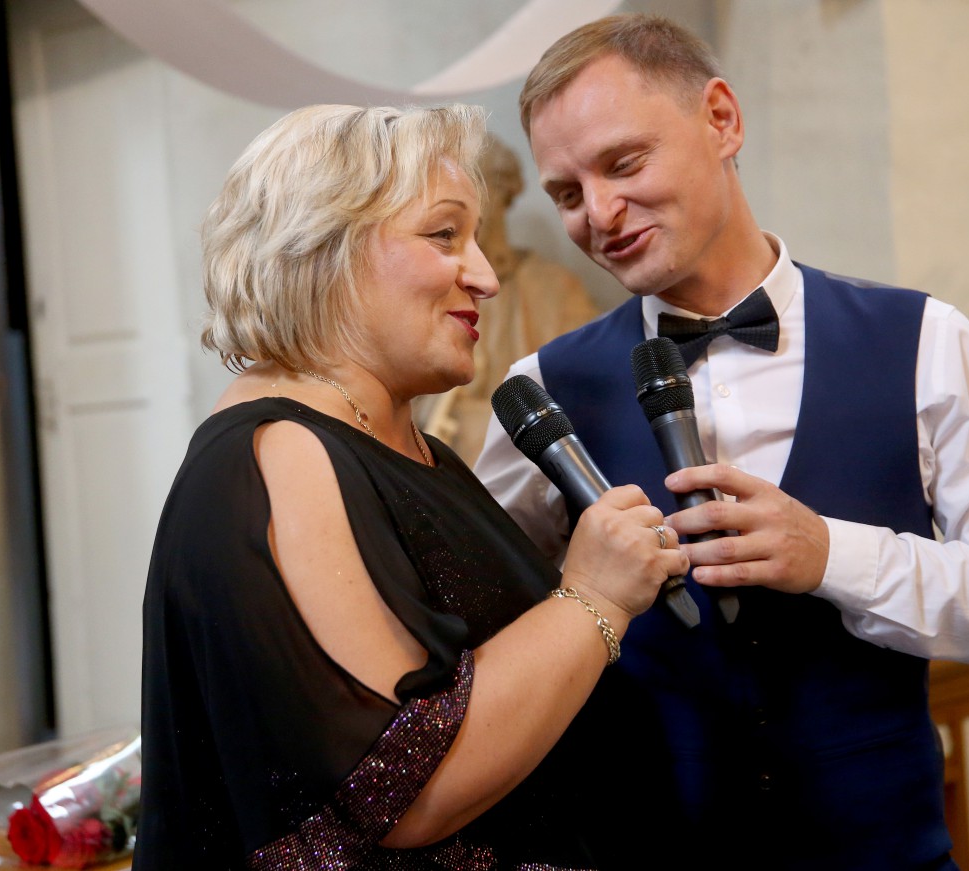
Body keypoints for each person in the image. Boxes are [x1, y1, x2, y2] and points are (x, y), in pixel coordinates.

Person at [474, 13, 969, 870]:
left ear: (722, 120)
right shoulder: (543, 387)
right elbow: (480, 639)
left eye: (624, 162)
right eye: (568, 195)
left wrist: (832, 553)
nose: (600, 213)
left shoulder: (925, 340)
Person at [133, 103, 688, 869]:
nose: (486, 277)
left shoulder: (408, 447)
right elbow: (407, 787)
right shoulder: (281, 453)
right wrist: (595, 595)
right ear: (324, 246)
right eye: (444, 234)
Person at [419, 133, 598, 465]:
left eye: (477, 186)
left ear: (504, 191)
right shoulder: (427, 289)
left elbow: (586, 399)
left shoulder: (556, 289)